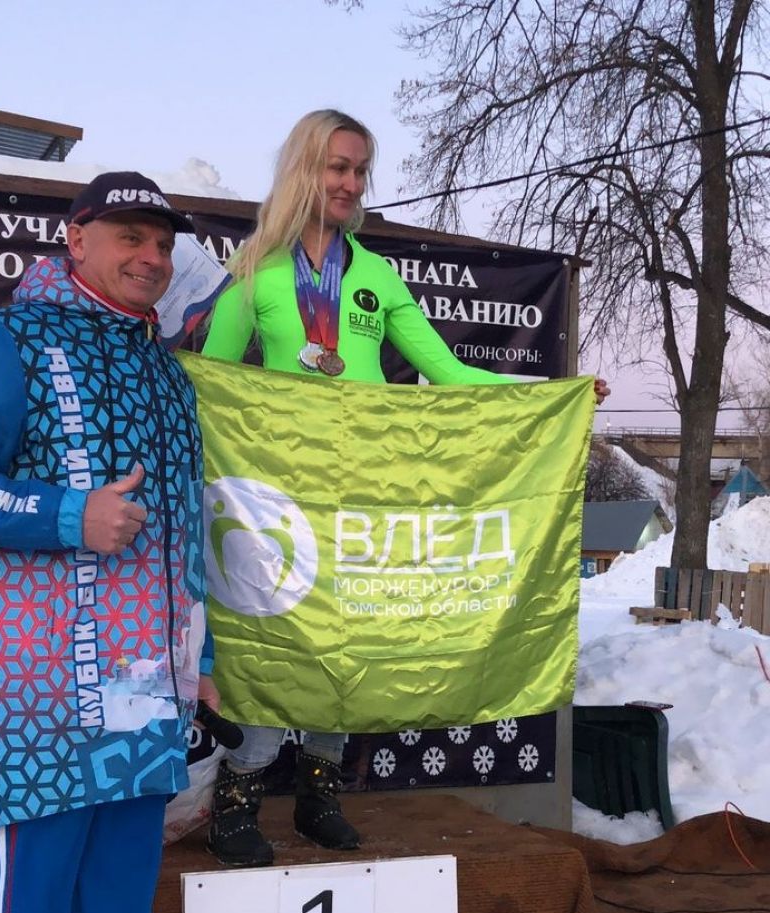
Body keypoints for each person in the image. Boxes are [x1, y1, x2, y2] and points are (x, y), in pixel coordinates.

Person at [203, 108, 610, 869]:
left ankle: (320, 798)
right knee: (276, 640)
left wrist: (551, 395)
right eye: (338, 167)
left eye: (360, 170)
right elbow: (213, 382)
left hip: (361, 491)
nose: (351, 183)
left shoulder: (375, 275)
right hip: (281, 494)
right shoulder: (256, 270)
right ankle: (239, 801)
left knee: (348, 636)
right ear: (305, 169)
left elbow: (449, 373)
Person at [0, 171, 218, 913]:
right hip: (34, 695)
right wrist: (67, 515)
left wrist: (201, 655)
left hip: (144, 690)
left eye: (161, 241)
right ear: (75, 238)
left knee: (115, 906)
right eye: (128, 235)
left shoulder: (165, 371)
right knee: (29, 912)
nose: (149, 255)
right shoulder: (4, 340)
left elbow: (185, 525)